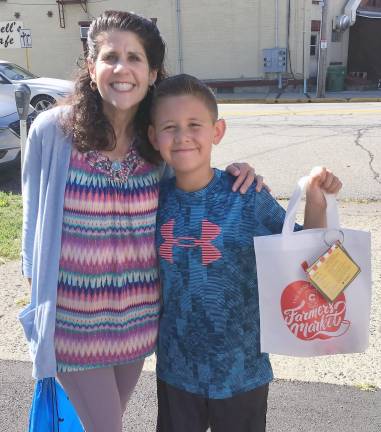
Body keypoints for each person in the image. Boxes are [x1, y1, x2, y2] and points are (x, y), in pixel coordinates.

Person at [19, 11, 262, 432]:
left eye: (135, 58)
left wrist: (237, 173)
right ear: (91, 66)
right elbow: (32, 227)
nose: (121, 69)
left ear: (152, 73)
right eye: (110, 56)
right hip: (75, 324)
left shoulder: (156, 138)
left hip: (139, 321)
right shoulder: (53, 131)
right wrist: (42, 313)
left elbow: (194, 182)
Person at [148, 74, 343, 432]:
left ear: (217, 131)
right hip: (177, 368)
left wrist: (316, 200)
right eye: (169, 127)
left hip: (242, 369)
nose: (182, 136)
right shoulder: (151, 202)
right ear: (152, 136)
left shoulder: (245, 195)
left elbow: (308, 253)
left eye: (195, 125)